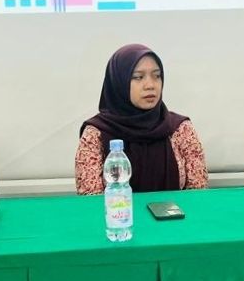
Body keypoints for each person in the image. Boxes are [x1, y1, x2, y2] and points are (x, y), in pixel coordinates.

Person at [76, 44, 208, 194]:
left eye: (157, 76)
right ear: (119, 82)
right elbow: (90, 200)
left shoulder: (180, 128)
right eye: (138, 77)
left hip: (177, 210)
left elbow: (198, 194)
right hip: (117, 210)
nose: (150, 85)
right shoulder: (95, 134)